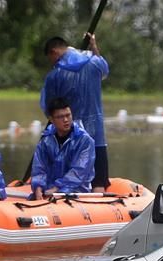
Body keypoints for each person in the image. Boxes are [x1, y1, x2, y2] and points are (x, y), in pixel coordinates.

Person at [40, 34, 109, 192]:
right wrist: (94, 47)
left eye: (50, 58)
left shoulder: (55, 75)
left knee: (66, 178)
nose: (52, 62)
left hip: (69, 137)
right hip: (96, 134)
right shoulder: (94, 62)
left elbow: (48, 106)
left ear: (54, 51)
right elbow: (104, 71)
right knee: (99, 181)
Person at [30, 97, 96, 200]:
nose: (66, 120)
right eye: (60, 117)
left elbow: (79, 171)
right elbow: (39, 169)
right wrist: (38, 189)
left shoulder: (85, 141)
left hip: (76, 191)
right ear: (51, 120)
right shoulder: (45, 141)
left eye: (68, 115)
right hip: (50, 190)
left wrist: (57, 188)